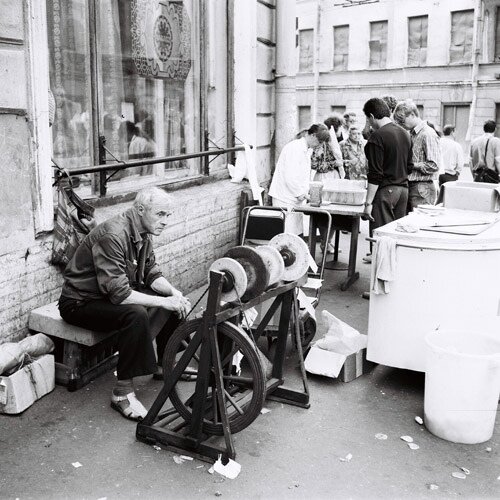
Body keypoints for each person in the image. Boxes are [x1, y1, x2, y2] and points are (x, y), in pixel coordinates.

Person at [58, 187, 191, 421]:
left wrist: (173, 293)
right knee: (136, 314)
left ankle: (164, 365)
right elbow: (120, 295)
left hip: (105, 296)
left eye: (168, 216)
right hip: (79, 302)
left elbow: (150, 272)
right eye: (160, 214)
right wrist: (164, 301)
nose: (166, 222)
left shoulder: (143, 232)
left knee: (172, 302)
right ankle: (122, 393)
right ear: (140, 210)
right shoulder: (114, 235)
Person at [362, 98, 413, 234]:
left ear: (372, 116)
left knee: (381, 238)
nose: (368, 123)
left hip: (386, 191)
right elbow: (410, 166)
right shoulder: (405, 133)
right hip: (403, 191)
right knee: (395, 237)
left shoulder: (377, 137)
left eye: (367, 119)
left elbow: (375, 174)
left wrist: (368, 204)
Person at [393, 99, 440, 210]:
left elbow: (434, 165)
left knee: (420, 223)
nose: (400, 123)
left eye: (402, 120)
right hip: (413, 186)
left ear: (413, 114)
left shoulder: (427, 134)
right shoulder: (412, 134)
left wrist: (412, 165)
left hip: (422, 187)